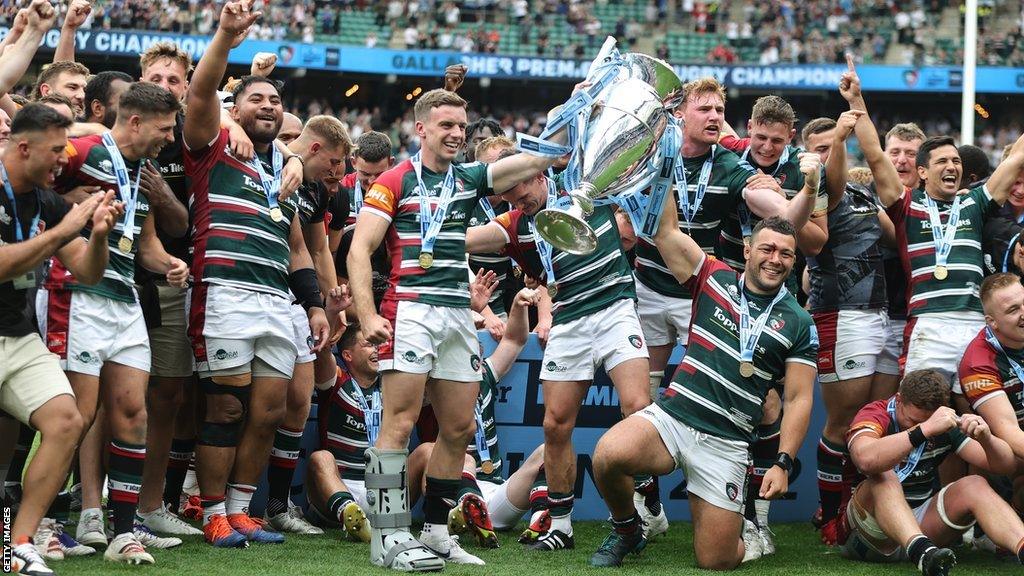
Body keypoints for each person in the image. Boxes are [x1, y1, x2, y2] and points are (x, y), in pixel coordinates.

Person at [348, 86, 560, 570]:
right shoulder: (395, 181)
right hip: (410, 310)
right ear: (420, 128)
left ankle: (438, 533)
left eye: (461, 127)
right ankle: (388, 537)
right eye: (446, 125)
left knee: (459, 429)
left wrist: (554, 146)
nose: (456, 134)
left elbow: (514, 167)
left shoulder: (466, 178)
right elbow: (359, 250)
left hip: (456, 315)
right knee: (399, 424)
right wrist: (367, 314)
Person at [588, 199, 819, 568]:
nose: (776, 259)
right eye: (767, 248)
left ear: (794, 261)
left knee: (715, 560)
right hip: (674, 419)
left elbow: (799, 398)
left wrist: (783, 462)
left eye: (786, 254)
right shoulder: (714, 277)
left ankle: (747, 535)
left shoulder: (798, 321)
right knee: (607, 455)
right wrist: (664, 151)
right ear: (747, 250)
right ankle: (628, 528)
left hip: (726, 442)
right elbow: (666, 232)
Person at [182, 0, 326, 549]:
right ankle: (212, 511)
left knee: (268, 412)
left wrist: (312, 304)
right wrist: (224, 35)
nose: (267, 105)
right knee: (224, 406)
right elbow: (198, 95)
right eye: (256, 98)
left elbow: (296, 249)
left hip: (275, 302)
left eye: (274, 101)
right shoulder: (213, 146)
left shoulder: (285, 172)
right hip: (223, 294)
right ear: (234, 107)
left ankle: (242, 510)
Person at [36, 81, 189, 564]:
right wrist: (57, 203)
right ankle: (41, 525)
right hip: (76, 294)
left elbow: (144, 243)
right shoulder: (81, 149)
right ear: (136, 121)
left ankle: (124, 534)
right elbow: (24, 173)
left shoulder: (142, 170)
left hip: (125, 299)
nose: (169, 139)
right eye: (164, 130)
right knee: (74, 419)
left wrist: (169, 264)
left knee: (133, 412)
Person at [2, 103, 122, 576]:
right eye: (55, 152)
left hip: (17, 336)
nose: (62, 162)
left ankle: (20, 542)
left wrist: (97, 235)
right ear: (23, 146)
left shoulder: (48, 202)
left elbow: (89, 271)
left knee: (67, 421)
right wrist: (66, 229)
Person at [810, 57, 902, 543]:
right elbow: (834, 180)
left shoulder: (862, 196)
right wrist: (840, 142)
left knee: (877, 416)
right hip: (842, 312)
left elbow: (895, 239)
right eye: (820, 148)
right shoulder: (815, 187)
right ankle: (829, 514)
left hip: (881, 312)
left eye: (833, 145)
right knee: (842, 420)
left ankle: (856, 508)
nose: (830, 153)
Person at [842, 369, 1024, 574]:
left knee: (974, 484)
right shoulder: (877, 413)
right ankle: (922, 551)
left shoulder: (943, 423)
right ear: (899, 400)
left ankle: (1021, 546)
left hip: (922, 528)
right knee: (883, 474)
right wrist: (924, 429)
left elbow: (1006, 467)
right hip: (869, 532)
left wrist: (986, 438)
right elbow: (865, 460)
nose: (919, 425)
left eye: (927, 421)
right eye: (912, 420)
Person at [877, 129, 1024, 382]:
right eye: (942, 161)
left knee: (977, 409)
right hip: (928, 323)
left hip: (975, 321)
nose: (951, 166)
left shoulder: (974, 203)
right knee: (924, 405)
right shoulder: (909, 205)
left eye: (956, 161)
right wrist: (857, 103)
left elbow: (1016, 158)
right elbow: (874, 157)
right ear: (922, 172)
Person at [265, 115, 352, 534]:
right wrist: (288, 156)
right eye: (333, 163)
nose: (335, 175)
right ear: (314, 149)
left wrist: (332, 306)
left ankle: (277, 506)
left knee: (297, 403)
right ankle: (199, 498)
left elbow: (318, 251)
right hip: (247, 290)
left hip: (297, 302)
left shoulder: (316, 191)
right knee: (232, 405)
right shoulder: (268, 160)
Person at [407, 286, 541, 548]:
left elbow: (514, 340)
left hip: (495, 490)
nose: (476, 350)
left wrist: (517, 304)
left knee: (550, 451)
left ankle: (541, 521)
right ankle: (465, 506)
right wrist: (467, 312)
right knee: (454, 456)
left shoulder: (485, 377)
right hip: (450, 487)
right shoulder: (432, 383)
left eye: (476, 346)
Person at [133, 40, 202, 538]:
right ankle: (87, 505)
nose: (163, 86)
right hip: (106, 282)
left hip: (169, 282)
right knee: (99, 399)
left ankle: (149, 502)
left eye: (173, 79)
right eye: (155, 78)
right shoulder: (114, 136)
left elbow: (179, 225)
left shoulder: (189, 141)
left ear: (187, 87)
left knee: (167, 397)